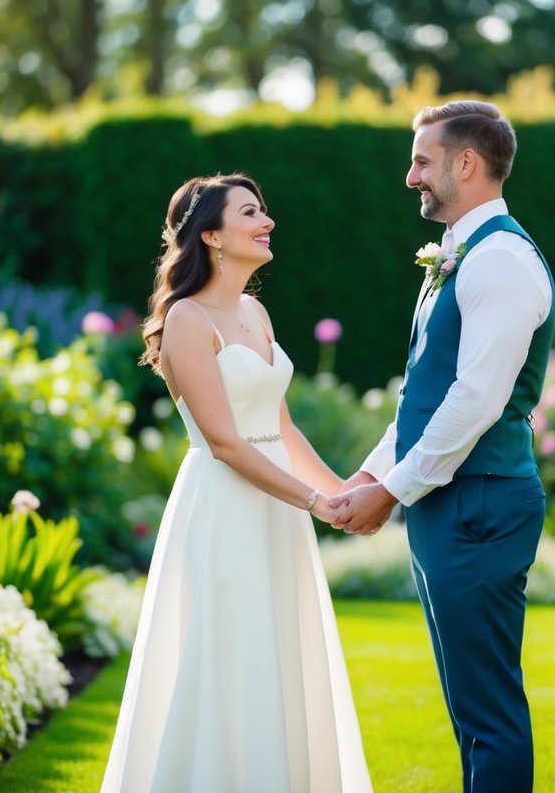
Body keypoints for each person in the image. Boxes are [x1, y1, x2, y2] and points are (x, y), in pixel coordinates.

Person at [101, 173, 372, 793]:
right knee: (229, 657)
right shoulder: (188, 320)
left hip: (278, 508)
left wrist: (343, 491)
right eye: (251, 212)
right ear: (214, 236)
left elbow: (279, 424)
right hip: (226, 507)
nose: (266, 221)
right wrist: (314, 502)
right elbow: (225, 442)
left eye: (265, 210)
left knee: (278, 655)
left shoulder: (254, 309)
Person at [332, 100, 555, 792]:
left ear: (467, 163)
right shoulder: (460, 256)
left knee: (486, 710)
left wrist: (391, 492)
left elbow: (475, 402)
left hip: (480, 504)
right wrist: (367, 476)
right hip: (451, 504)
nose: (410, 177)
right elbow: (423, 396)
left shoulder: (501, 262)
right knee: (468, 708)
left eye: (422, 161)